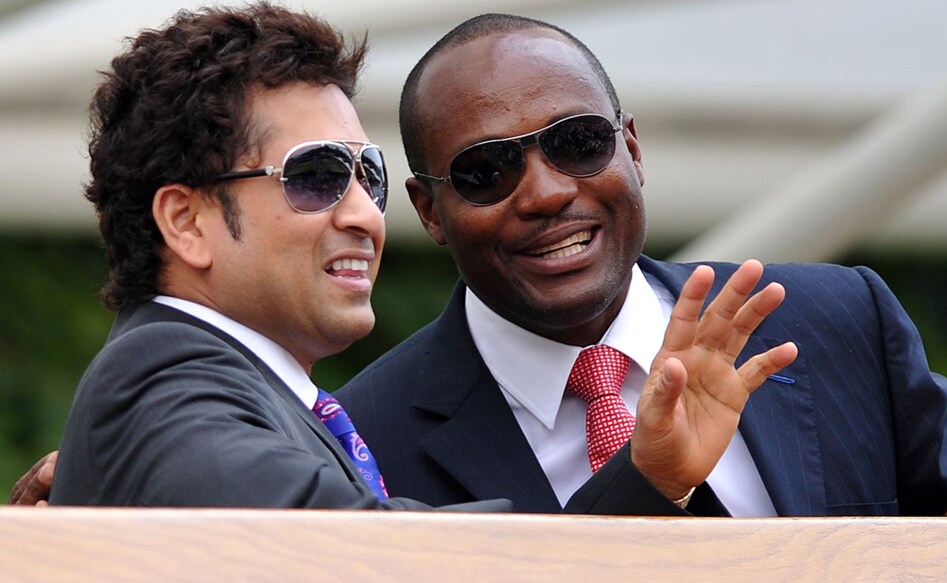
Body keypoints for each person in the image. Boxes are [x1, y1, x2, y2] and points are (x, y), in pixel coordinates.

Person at [327, 13, 947, 583]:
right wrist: (647, 479)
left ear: (631, 148)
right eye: (484, 172)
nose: (547, 192)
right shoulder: (362, 446)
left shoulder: (836, 320)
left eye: (578, 143)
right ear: (429, 211)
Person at [36, 4, 796, 513]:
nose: (366, 214)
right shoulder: (163, 383)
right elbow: (387, 560)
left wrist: (644, 476)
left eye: (365, 174)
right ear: (185, 220)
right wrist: (647, 480)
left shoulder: (218, 389)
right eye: (315, 176)